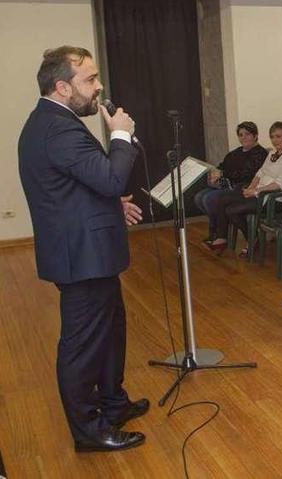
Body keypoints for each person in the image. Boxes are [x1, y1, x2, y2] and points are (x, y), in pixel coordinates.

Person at [18, 46, 147, 451]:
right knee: (83, 346)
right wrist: (121, 134)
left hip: (90, 250)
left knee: (111, 331)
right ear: (61, 86)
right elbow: (109, 179)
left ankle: (112, 402)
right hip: (81, 257)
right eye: (90, 79)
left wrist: (113, 205)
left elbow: (76, 185)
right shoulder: (59, 127)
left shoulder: (55, 120)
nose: (99, 87)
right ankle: (89, 432)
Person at [207, 121, 282, 256]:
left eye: (278, 136)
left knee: (232, 210)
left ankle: (252, 239)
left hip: (272, 199)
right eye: (272, 137)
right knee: (223, 199)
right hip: (258, 193)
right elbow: (260, 173)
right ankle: (223, 237)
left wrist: (256, 191)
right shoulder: (272, 153)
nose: (274, 140)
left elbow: (281, 184)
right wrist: (251, 188)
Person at [194, 121, 268, 244]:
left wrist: (223, 174)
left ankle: (218, 234)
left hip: (243, 187)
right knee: (199, 197)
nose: (243, 137)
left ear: (255, 136)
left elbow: (247, 174)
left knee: (209, 199)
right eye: (240, 135)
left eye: (247, 134)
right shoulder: (234, 153)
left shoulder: (260, 153)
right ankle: (216, 232)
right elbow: (222, 166)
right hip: (227, 185)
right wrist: (215, 173)